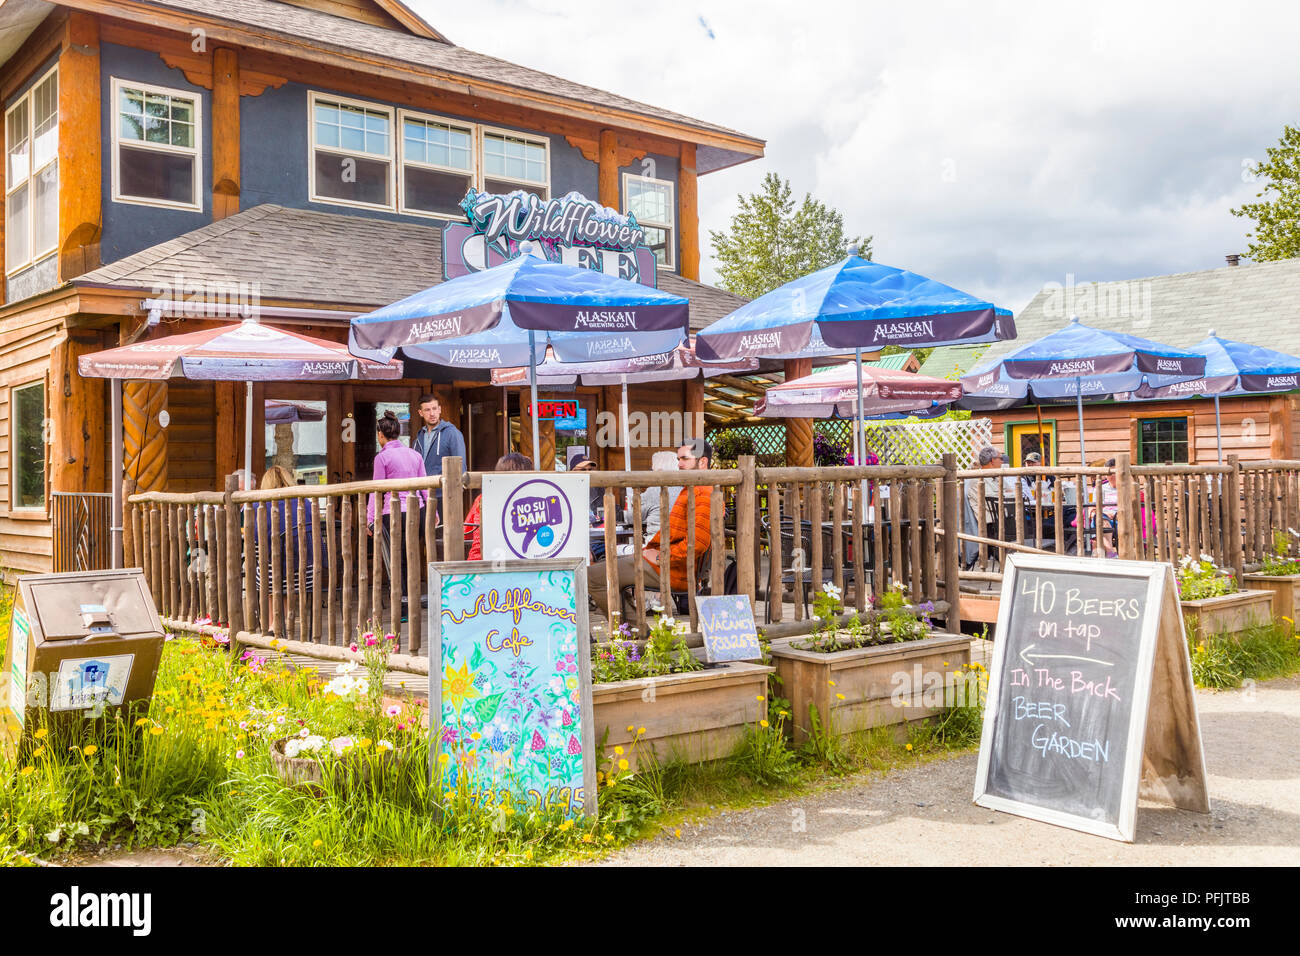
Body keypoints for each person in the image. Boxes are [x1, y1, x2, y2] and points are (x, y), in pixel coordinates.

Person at [587, 438, 712, 620]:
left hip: (673, 569)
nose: (679, 464)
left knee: (592, 577)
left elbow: (698, 544)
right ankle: (635, 631)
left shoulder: (703, 493)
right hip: (668, 564)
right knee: (605, 569)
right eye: (677, 459)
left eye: (684, 459)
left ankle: (633, 633)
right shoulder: (693, 489)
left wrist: (661, 556)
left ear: (702, 462)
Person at [367, 411, 429, 609]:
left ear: (380, 435)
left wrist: (370, 519)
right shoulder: (415, 455)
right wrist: (432, 513)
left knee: (396, 558)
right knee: (411, 556)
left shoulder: (382, 457)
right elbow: (424, 486)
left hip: (393, 514)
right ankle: (412, 599)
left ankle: (402, 605)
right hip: (417, 511)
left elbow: (376, 491)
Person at [464, 452, 533, 561]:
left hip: (477, 562)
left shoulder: (482, 499)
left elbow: (465, 533)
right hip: (516, 563)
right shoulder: (529, 503)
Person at [258, 465, 315, 593]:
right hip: (306, 572)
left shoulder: (259, 505)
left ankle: (271, 613)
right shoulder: (305, 502)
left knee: (262, 567)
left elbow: (257, 548)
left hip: (273, 573)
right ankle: (293, 612)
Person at [412, 393, 465, 510]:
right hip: (422, 498)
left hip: (445, 496)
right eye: (427, 410)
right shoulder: (417, 440)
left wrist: (455, 495)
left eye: (434, 408)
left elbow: (461, 467)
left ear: (440, 409)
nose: (432, 413)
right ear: (420, 413)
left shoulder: (453, 434)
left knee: (443, 529)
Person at [962, 446, 1004, 568]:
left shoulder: (994, 477)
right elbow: (992, 502)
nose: (1002, 461)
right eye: (1000, 458)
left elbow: (1007, 493)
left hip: (1000, 518)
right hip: (990, 522)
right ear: (992, 460)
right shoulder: (977, 479)